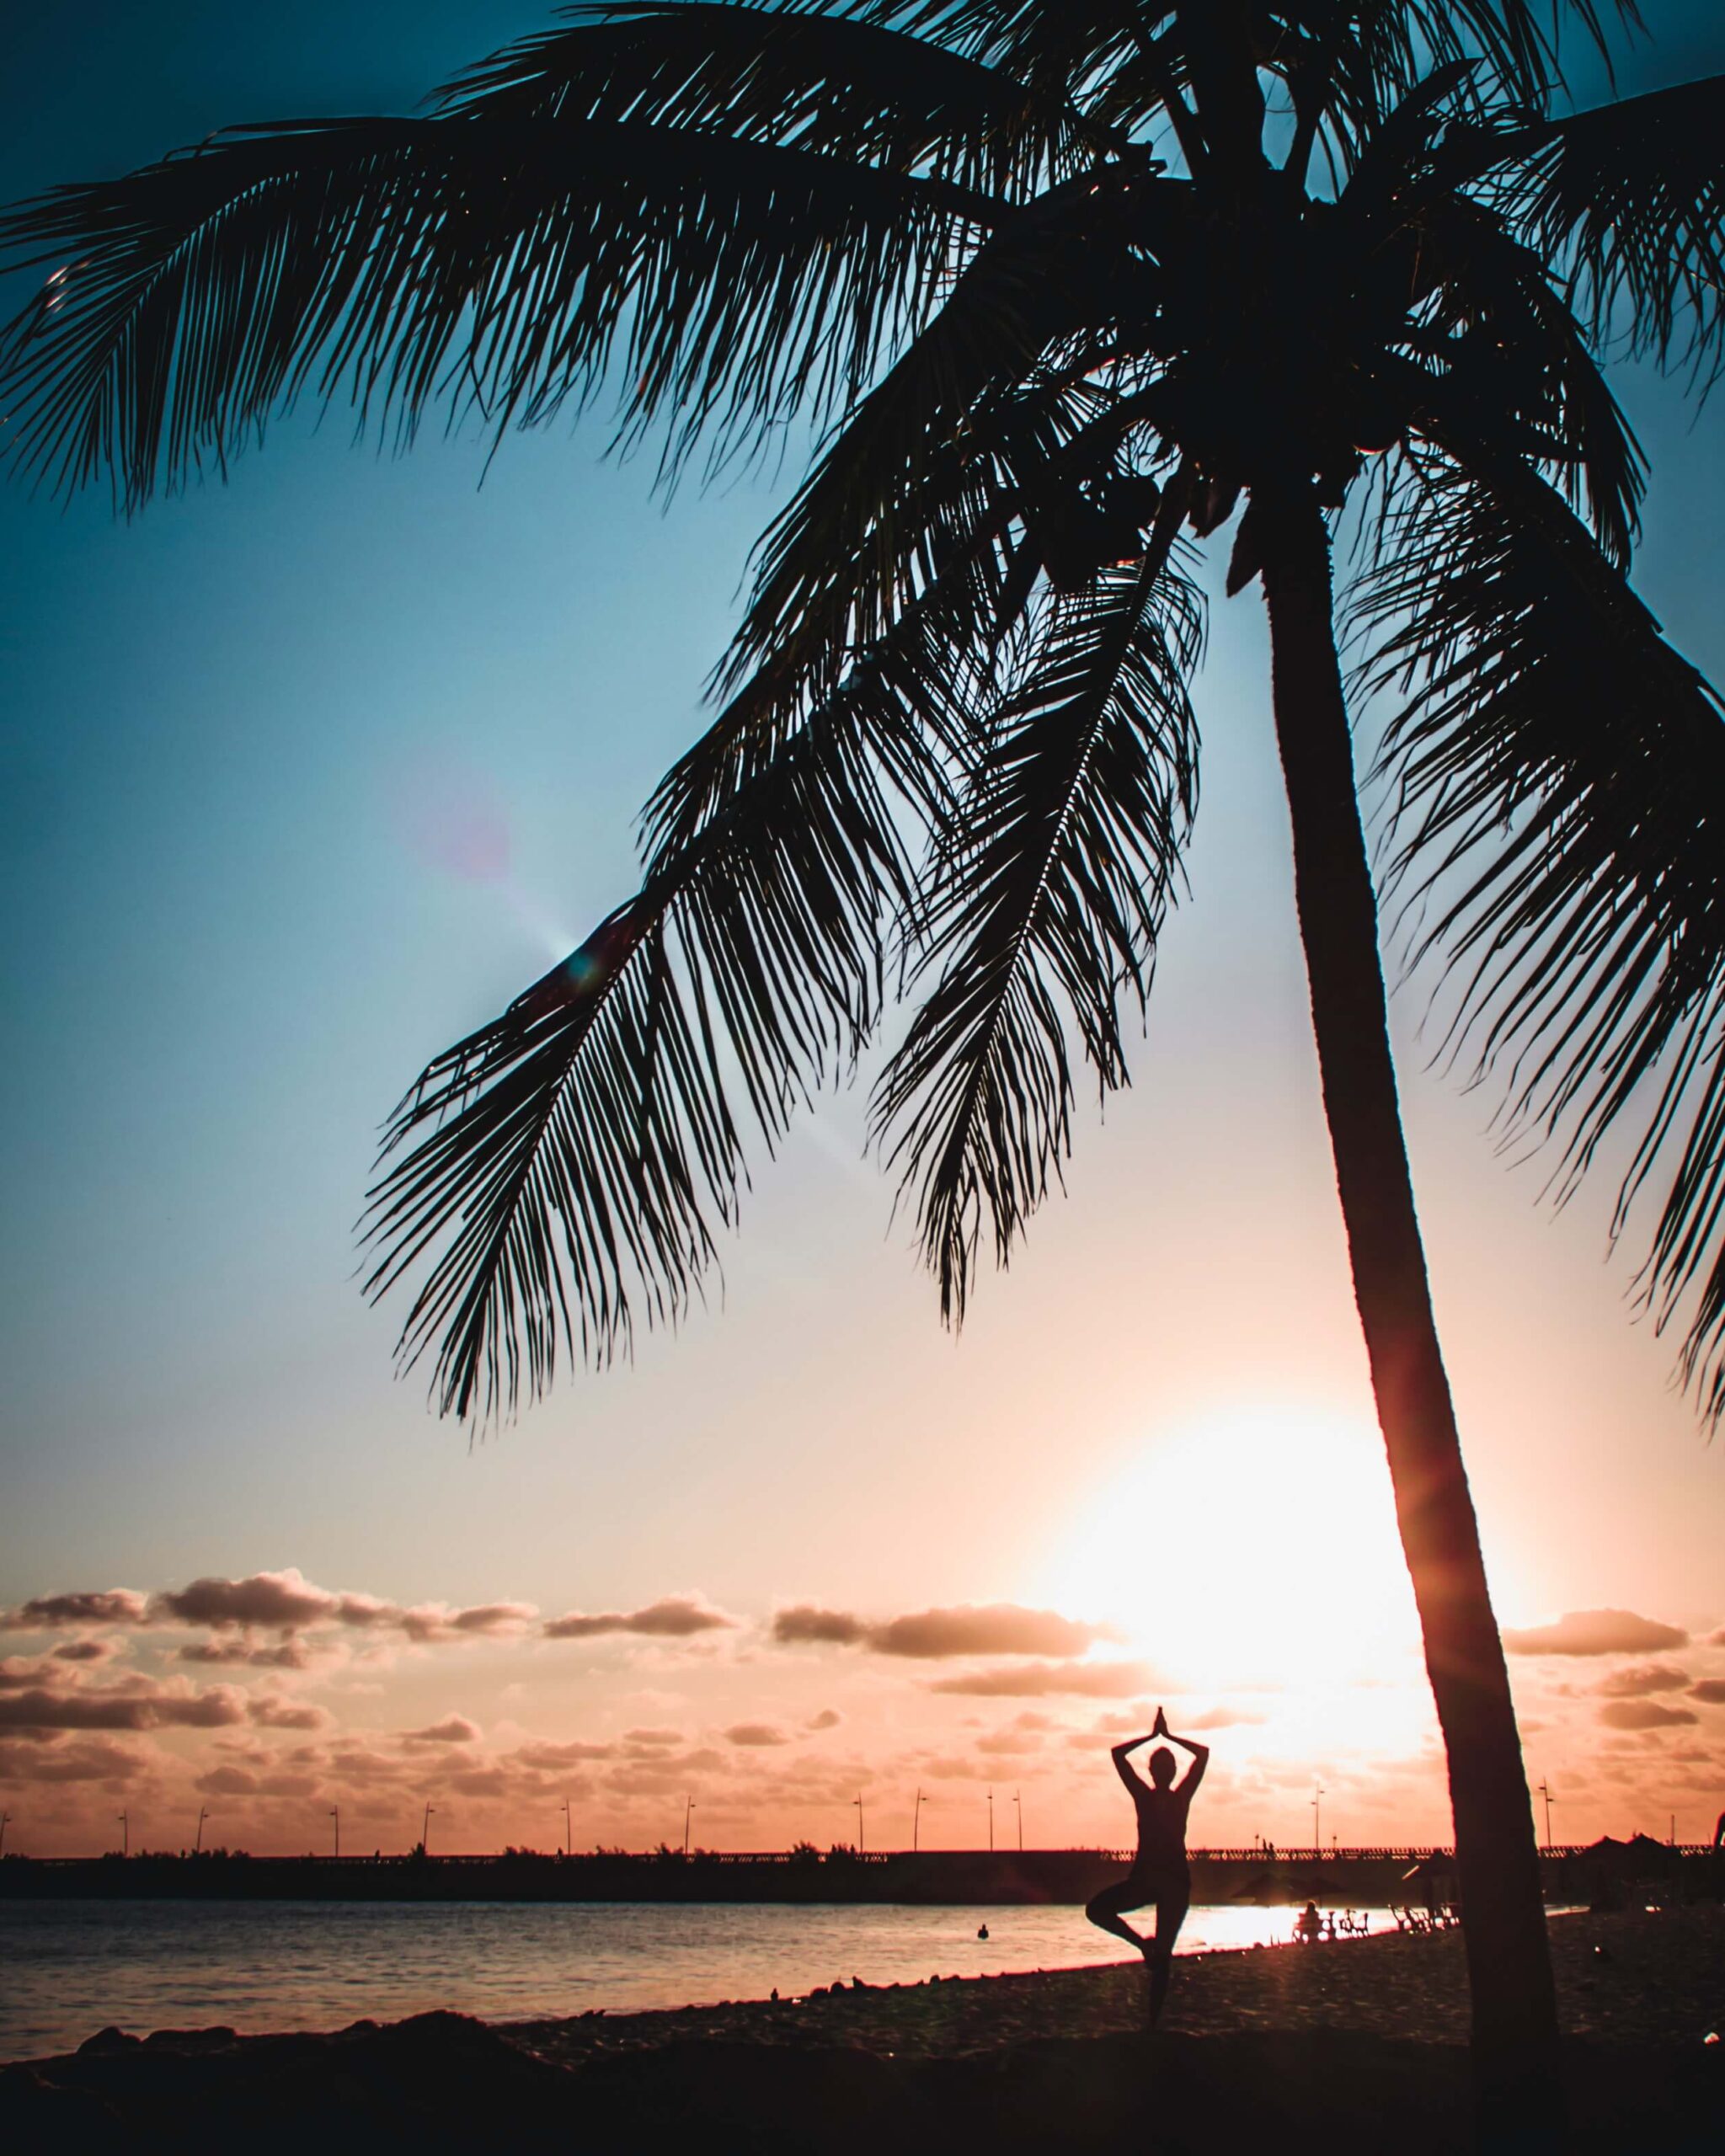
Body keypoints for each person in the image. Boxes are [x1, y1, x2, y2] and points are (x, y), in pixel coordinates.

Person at [1085, 1705, 1209, 2025]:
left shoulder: (1176, 1797)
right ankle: (1144, 1946)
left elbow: (1203, 1755)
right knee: (1097, 1910)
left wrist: (1160, 1736)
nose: (1162, 1771)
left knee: (1164, 1955)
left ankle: (1152, 2022)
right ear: (1154, 1772)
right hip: (1149, 1880)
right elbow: (1118, 1756)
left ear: (1163, 1772)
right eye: (1159, 1765)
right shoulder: (1147, 1796)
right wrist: (1160, 1737)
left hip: (1171, 1883)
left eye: (1164, 1766)